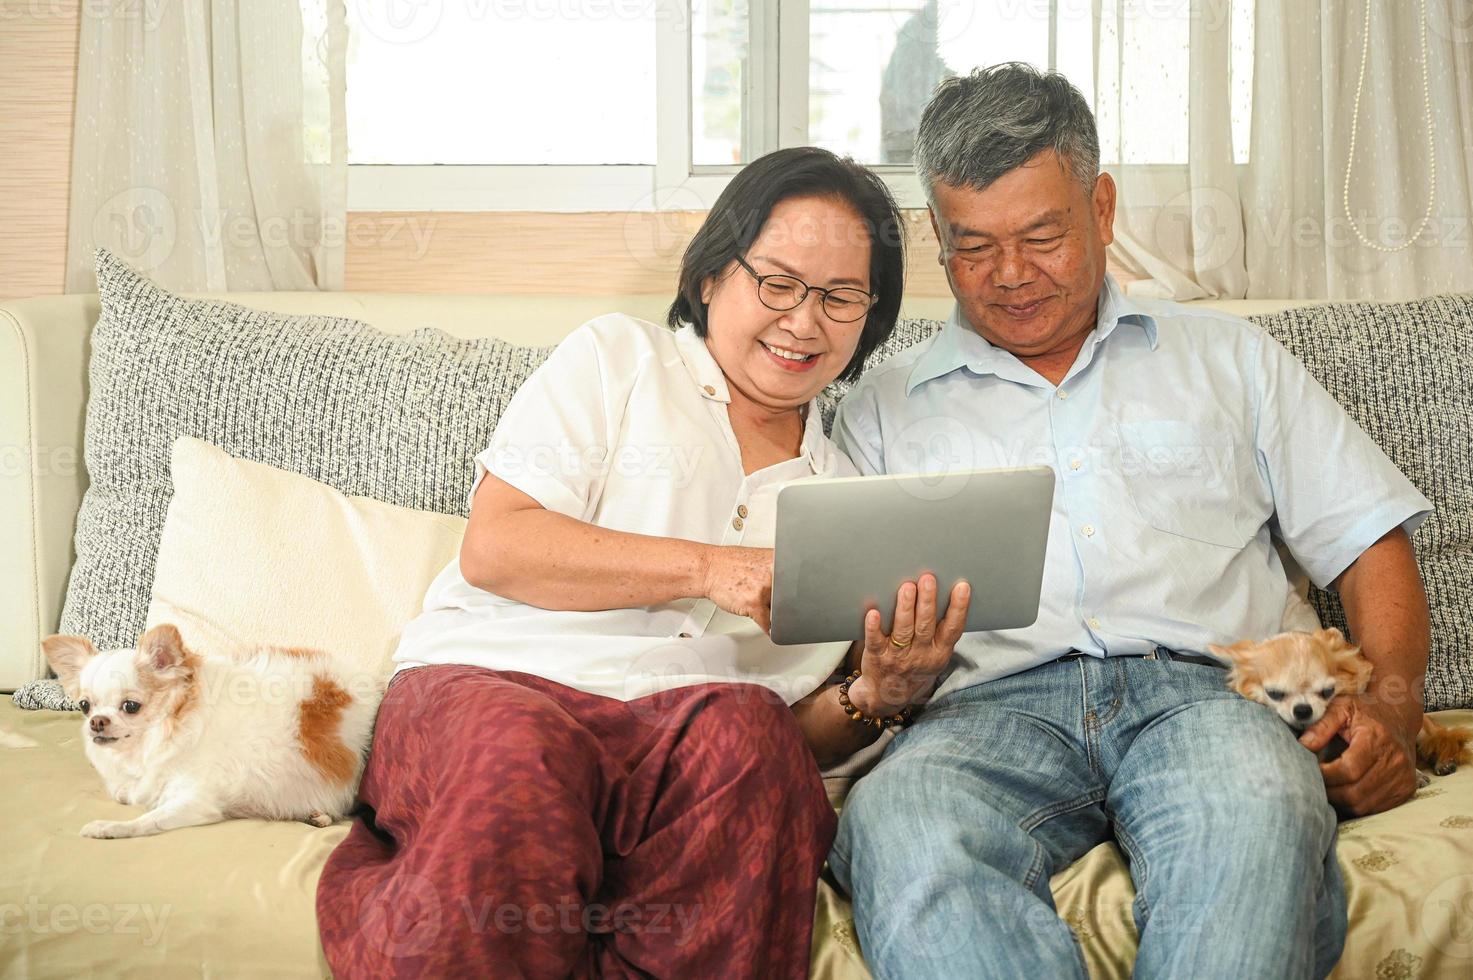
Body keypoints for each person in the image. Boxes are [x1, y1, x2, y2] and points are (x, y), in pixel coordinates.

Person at [828, 64, 1433, 978]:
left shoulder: (1230, 359)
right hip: (979, 718)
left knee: (1257, 805)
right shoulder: (873, 408)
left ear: (1101, 208)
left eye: (1043, 234)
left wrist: (1392, 708)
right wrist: (886, 679)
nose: (1011, 275)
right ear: (935, 239)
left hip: (1210, 698)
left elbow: (1365, 543)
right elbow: (841, 651)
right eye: (974, 245)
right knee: (897, 824)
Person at [314, 146, 972, 979]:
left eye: (840, 297)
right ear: (709, 279)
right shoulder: (617, 360)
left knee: (754, 739)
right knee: (520, 760)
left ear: (869, 319)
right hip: (498, 684)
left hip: (679, 740)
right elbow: (497, 545)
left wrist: (874, 695)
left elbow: (790, 734)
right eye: (777, 283)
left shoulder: (842, 495)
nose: (804, 322)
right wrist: (710, 568)